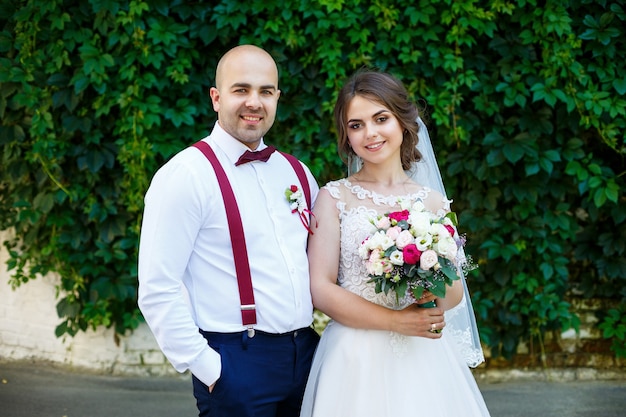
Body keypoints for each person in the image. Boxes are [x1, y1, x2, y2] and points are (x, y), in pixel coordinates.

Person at [138, 44, 320, 417]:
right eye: (241, 90)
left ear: (277, 98)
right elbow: (158, 287)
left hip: (308, 359)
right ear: (216, 98)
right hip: (236, 363)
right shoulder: (185, 175)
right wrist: (208, 367)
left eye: (266, 91)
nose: (254, 101)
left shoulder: (298, 173)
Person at [299, 70, 490, 417]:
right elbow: (320, 288)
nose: (369, 133)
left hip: (423, 356)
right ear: (346, 136)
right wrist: (393, 321)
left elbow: (454, 294)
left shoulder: (431, 203)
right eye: (356, 125)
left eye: (380, 118)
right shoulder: (333, 197)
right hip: (354, 356)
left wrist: (428, 278)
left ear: (403, 122)